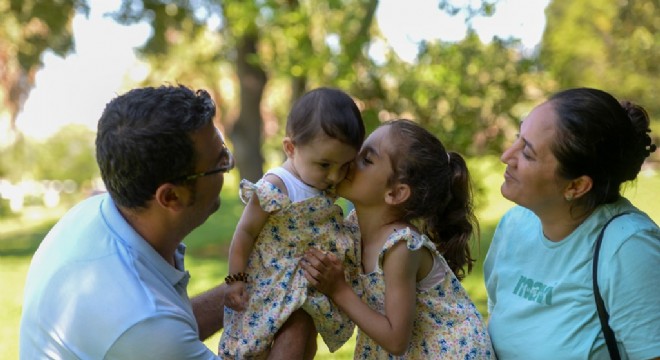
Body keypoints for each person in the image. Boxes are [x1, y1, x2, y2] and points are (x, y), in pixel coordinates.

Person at [18, 85, 304, 359]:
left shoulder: (94, 216)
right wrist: (301, 317)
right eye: (220, 163)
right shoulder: (142, 321)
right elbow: (154, 330)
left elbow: (170, 323)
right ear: (170, 197)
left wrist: (273, 283)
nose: (228, 169)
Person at [484, 87, 660, 359]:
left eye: (527, 153)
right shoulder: (514, 226)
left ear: (576, 186)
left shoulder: (629, 249)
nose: (507, 156)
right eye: (519, 137)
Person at [301, 119, 494, 359]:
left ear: (395, 193)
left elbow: (395, 339)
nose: (351, 159)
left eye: (366, 160)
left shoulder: (401, 245)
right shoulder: (353, 226)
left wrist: (338, 290)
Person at [218, 87, 366, 359]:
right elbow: (245, 232)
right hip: (269, 285)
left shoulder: (323, 183)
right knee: (254, 345)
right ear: (290, 148)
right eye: (324, 165)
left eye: (345, 165)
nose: (334, 176)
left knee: (299, 346)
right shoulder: (278, 185)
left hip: (302, 291)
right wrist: (235, 279)